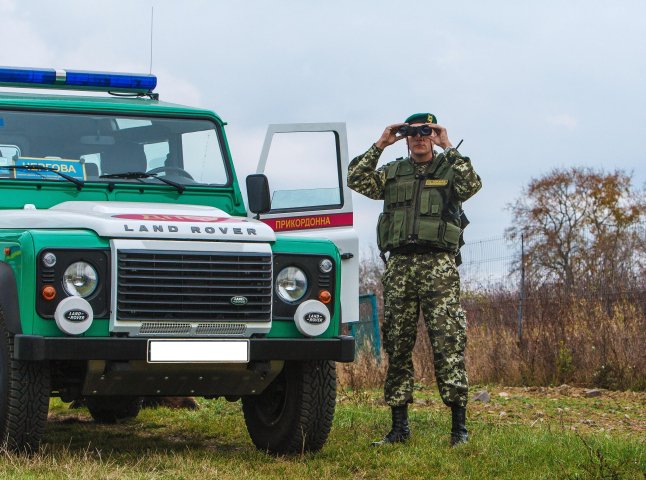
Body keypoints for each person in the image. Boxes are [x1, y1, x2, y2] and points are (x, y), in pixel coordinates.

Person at [347, 113, 482, 446]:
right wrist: (381, 143)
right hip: (400, 267)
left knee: (448, 343)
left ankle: (458, 429)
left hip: (439, 266)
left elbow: (472, 185)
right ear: (405, 137)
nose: (420, 137)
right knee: (397, 342)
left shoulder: (450, 169)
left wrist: (448, 145)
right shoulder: (394, 173)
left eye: (427, 132)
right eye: (414, 133)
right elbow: (355, 177)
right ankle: (399, 428)